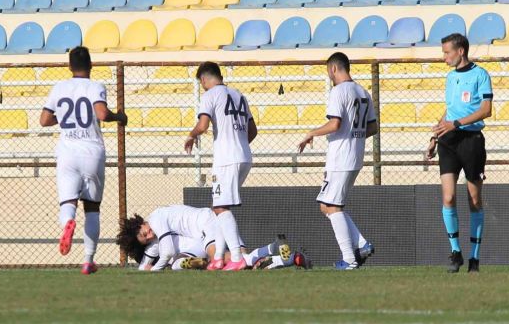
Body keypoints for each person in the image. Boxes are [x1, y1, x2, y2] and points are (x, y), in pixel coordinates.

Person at [40, 46, 127, 275]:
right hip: (91, 151)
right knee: (92, 208)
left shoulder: (59, 87)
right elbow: (102, 114)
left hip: (67, 152)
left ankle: (67, 223)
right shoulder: (95, 86)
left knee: (68, 203)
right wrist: (119, 116)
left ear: (69, 66)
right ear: (91, 65)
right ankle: (88, 260)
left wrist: (67, 120)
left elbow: (44, 119)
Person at [297, 52, 377, 270]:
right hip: (354, 156)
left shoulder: (338, 91)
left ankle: (350, 259)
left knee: (332, 207)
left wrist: (311, 133)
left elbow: (334, 124)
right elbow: (373, 127)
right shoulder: (362, 91)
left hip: (341, 157)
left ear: (333, 69)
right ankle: (361, 245)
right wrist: (354, 135)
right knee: (327, 205)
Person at [426, 33, 493, 273]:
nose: (444, 57)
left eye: (447, 52)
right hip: (449, 140)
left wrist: (457, 123)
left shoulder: (480, 75)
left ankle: (474, 258)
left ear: (460, 51)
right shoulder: (450, 77)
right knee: (448, 197)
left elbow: (486, 109)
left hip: (472, 140)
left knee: (474, 200)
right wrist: (435, 136)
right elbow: (450, 110)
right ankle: (456, 253)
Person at [184, 62, 258, 271]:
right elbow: (252, 130)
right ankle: (218, 257)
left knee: (220, 207)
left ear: (204, 79)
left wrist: (191, 135)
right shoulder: (239, 95)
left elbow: (203, 125)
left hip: (226, 159)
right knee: (218, 207)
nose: (203, 86)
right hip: (244, 156)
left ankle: (236, 257)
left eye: (202, 83)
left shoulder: (210, 96)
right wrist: (239, 144)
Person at [118, 205, 309, 271]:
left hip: (206, 227)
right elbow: (147, 259)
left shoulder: (157, 220)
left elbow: (166, 251)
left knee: (228, 262)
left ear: (142, 222)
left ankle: (274, 249)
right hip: (211, 222)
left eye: (145, 233)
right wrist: (145, 267)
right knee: (250, 265)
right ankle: (288, 256)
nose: (149, 235)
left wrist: (156, 269)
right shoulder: (155, 234)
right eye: (146, 239)